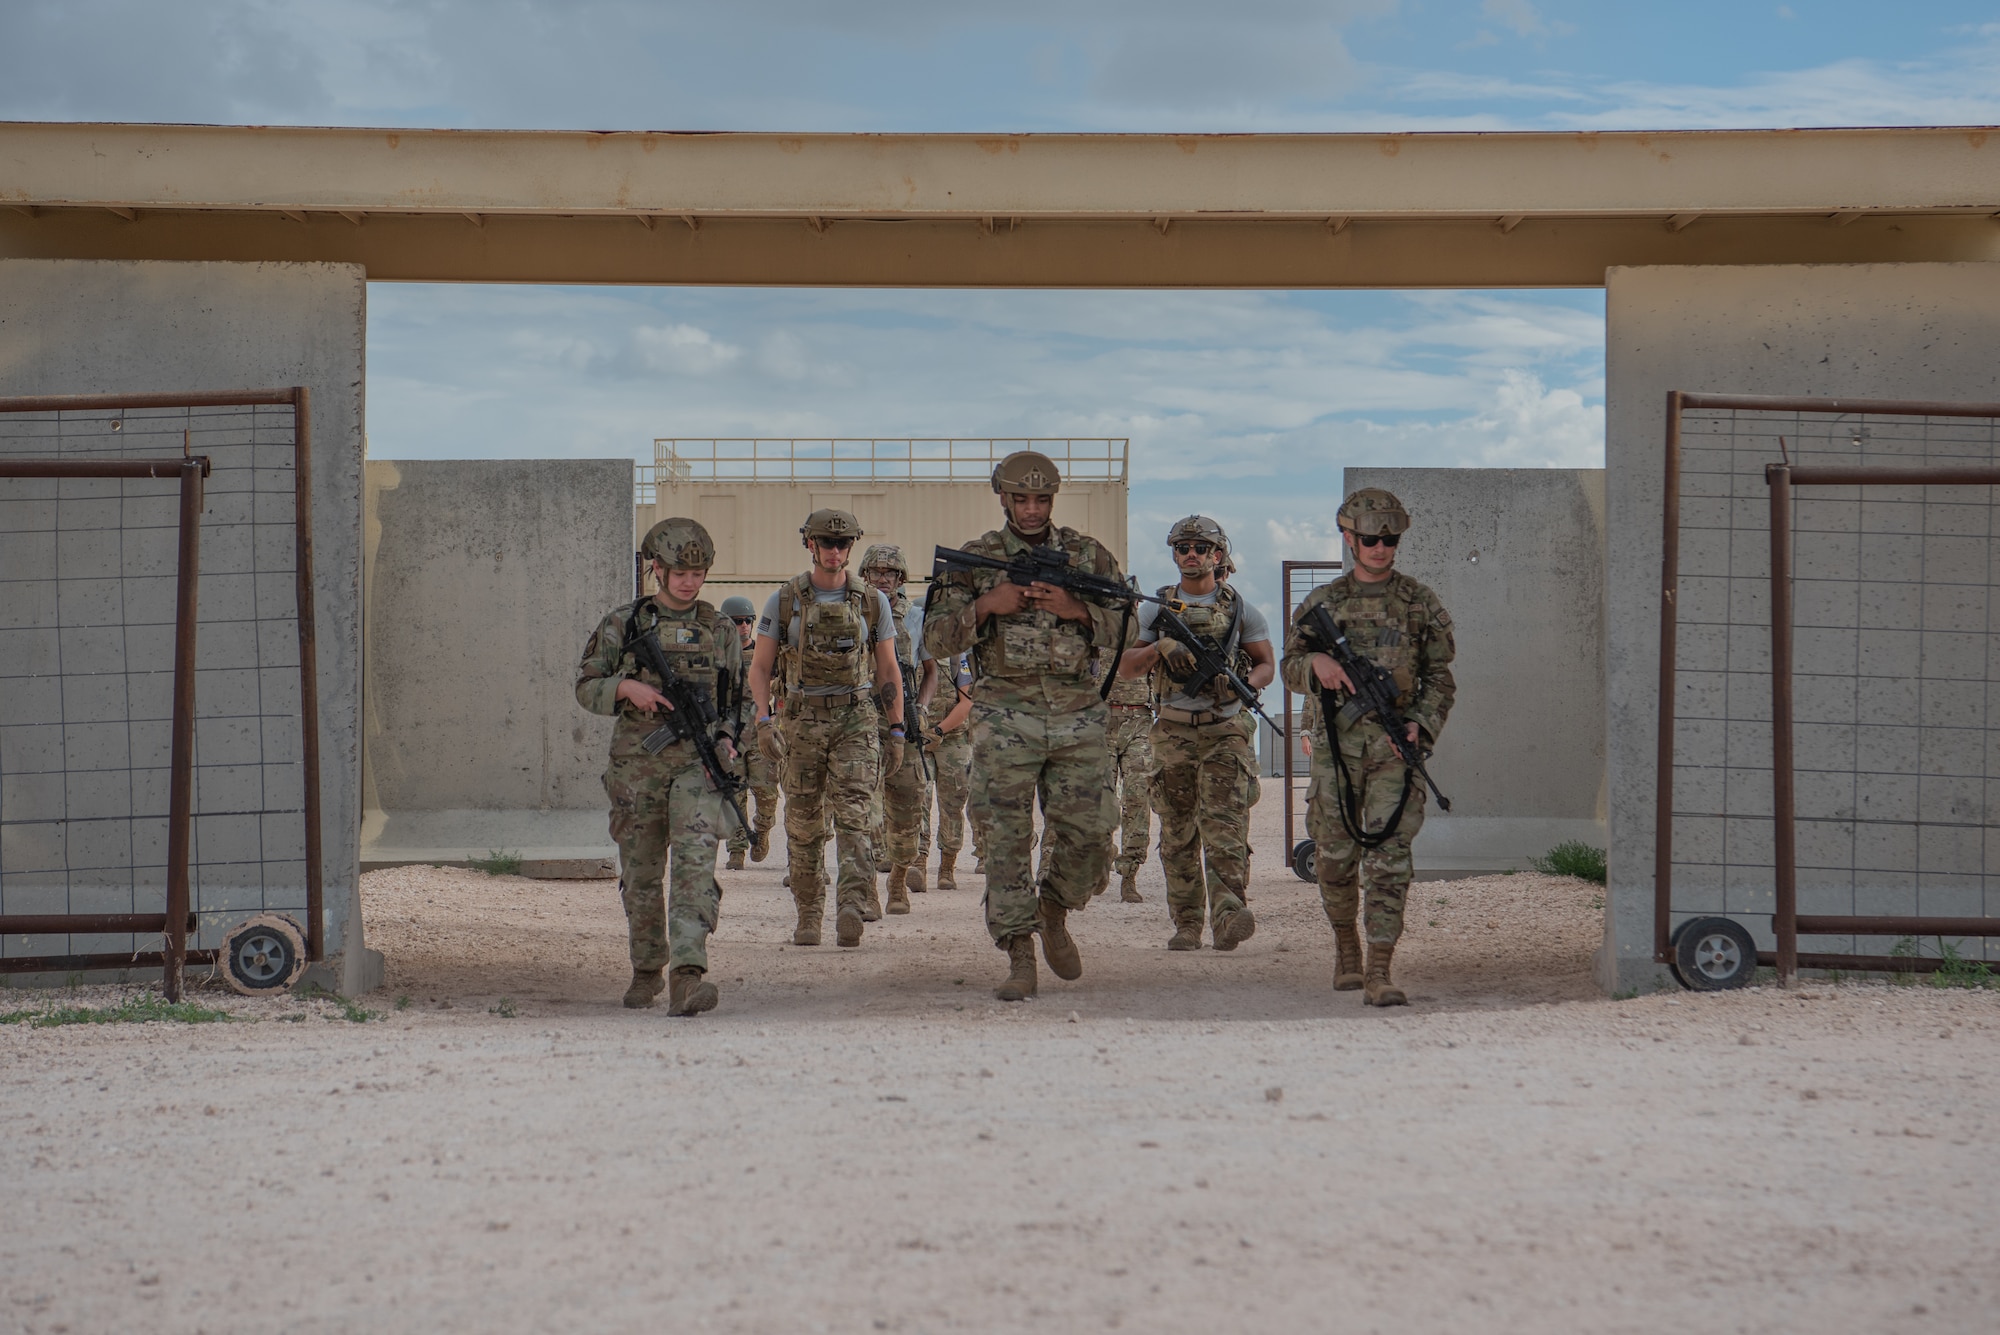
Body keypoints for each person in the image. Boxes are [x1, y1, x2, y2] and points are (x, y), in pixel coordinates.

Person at [925, 450, 1133, 1001]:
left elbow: (1132, 632)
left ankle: (1055, 908)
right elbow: (934, 640)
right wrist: (986, 606)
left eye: (1042, 499)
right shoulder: (975, 560)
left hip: (1077, 714)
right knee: (1004, 839)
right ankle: (1019, 950)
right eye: (1022, 499)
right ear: (1003, 498)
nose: (1033, 509)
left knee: (1092, 832)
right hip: (1004, 716)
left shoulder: (1088, 556)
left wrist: (1078, 610)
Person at [1280, 488, 1455, 1006]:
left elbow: (1440, 679)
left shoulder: (1419, 602)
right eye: (1371, 538)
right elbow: (1289, 668)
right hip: (1337, 752)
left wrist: (1420, 726)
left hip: (1393, 752)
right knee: (1334, 860)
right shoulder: (1323, 605)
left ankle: (1380, 968)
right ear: (1349, 538)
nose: (1381, 547)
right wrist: (1316, 667)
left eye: (1390, 539)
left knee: (1389, 860)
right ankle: (1346, 948)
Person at [573, 517, 740, 1015]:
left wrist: (731, 737)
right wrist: (628, 689)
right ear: (656, 569)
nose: (689, 581)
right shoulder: (623, 624)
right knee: (642, 873)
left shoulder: (721, 629)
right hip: (637, 764)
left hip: (697, 764)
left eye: (698, 571)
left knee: (694, 868)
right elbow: (586, 686)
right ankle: (646, 969)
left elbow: (738, 698)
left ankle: (687, 978)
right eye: (678, 570)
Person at [746, 509, 904, 949]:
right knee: (803, 824)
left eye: (842, 544)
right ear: (809, 545)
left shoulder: (873, 602)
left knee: (855, 818)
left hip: (855, 718)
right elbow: (759, 668)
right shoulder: (783, 600)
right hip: (800, 720)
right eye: (825, 543)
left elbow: (888, 669)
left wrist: (897, 731)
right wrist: (763, 720)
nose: (834, 551)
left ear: (851, 547)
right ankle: (809, 912)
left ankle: (850, 906)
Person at [1117, 516, 1275, 952]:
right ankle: (1187, 923)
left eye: (1201, 547)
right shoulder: (1155, 609)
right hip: (1173, 732)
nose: (1192, 554)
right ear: (1173, 553)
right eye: (1183, 546)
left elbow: (1266, 665)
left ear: (1217, 555)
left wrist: (1245, 685)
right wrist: (1159, 647)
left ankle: (1228, 916)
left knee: (1226, 830)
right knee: (1178, 832)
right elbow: (1128, 667)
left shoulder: (1243, 611)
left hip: (1225, 730)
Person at [858, 543, 936, 914]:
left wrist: (920, 708)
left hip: (904, 724)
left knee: (908, 813)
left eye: (890, 573)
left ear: (901, 578)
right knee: (864, 812)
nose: (883, 578)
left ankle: (899, 878)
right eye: (876, 572)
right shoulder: (852, 612)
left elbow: (933, 672)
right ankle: (869, 890)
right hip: (861, 723)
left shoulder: (917, 617)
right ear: (865, 575)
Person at [720, 594, 780, 871]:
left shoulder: (766, 656)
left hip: (761, 731)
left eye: (747, 621)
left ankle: (763, 832)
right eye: (737, 622)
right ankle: (736, 849)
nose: (744, 626)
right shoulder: (718, 659)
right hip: (732, 733)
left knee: (766, 792)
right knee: (735, 793)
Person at [920, 646, 978, 890]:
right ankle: (917, 862)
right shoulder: (912, 654)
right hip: (919, 737)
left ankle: (947, 867)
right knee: (917, 799)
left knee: (952, 804)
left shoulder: (958, 657)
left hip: (952, 739)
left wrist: (939, 730)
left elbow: (965, 705)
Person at [1101, 645, 1154, 903]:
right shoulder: (1098, 628)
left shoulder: (1149, 633)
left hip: (1140, 722)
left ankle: (1129, 874)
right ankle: (1102, 855)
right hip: (1102, 723)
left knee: (1137, 797)